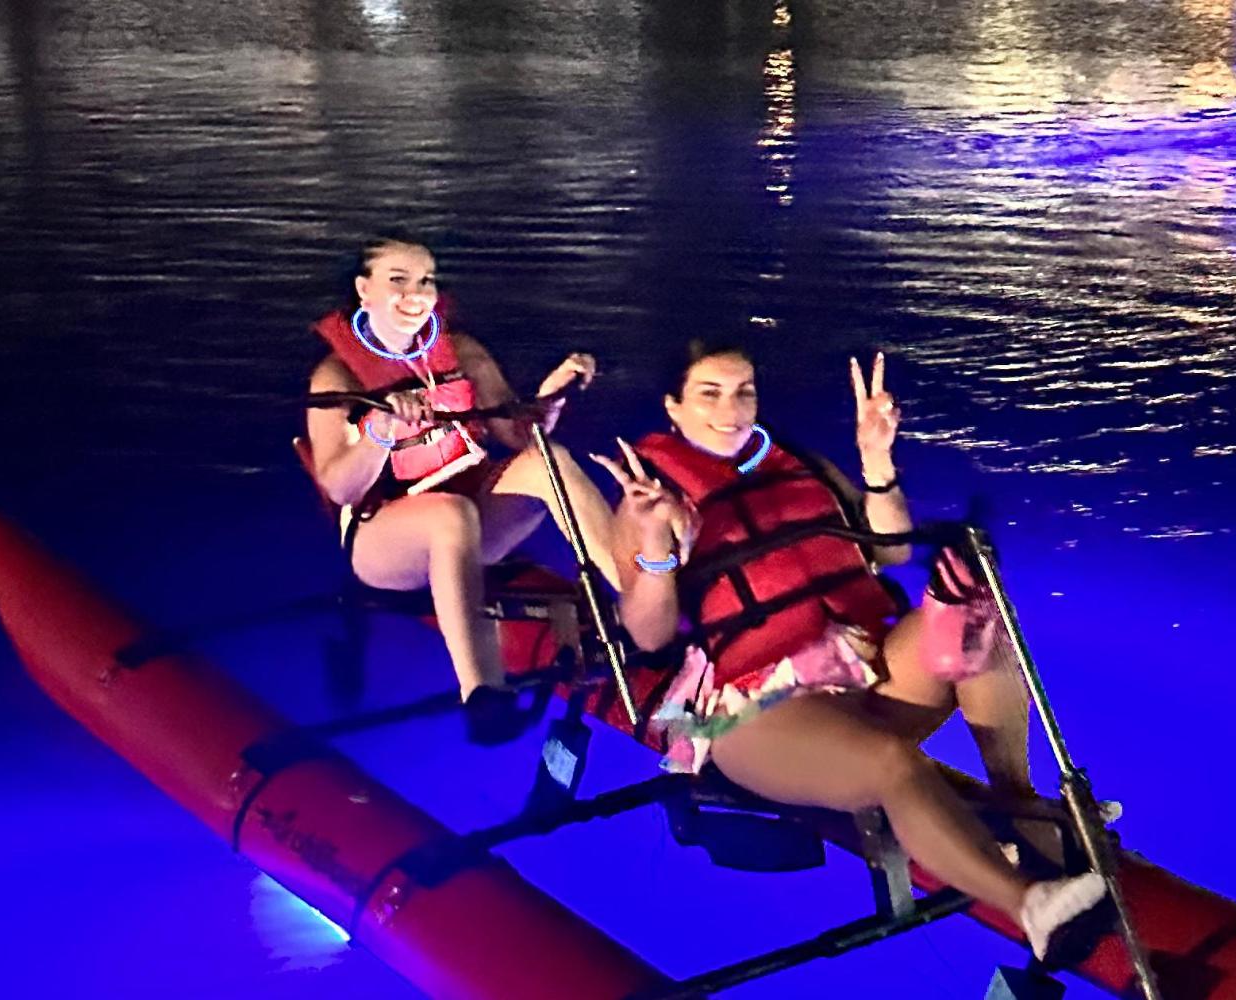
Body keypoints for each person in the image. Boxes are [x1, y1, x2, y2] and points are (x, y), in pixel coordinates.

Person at [593, 340, 1119, 966]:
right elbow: (648, 635)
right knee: (891, 762)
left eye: (744, 391)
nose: (732, 410)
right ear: (673, 407)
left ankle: (1020, 801)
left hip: (862, 664)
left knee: (975, 613)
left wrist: (876, 459)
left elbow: (891, 550)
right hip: (757, 709)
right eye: (710, 394)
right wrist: (655, 545)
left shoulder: (798, 463)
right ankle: (1031, 905)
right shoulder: (652, 496)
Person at [304, 236, 621, 745]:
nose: (417, 293)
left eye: (426, 280)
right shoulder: (336, 376)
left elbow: (520, 434)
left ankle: (637, 596)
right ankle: (482, 695)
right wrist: (380, 431)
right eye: (398, 280)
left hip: (471, 517)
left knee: (548, 460)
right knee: (449, 514)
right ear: (364, 290)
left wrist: (552, 394)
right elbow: (339, 486)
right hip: (383, 540)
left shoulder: (461, 351)